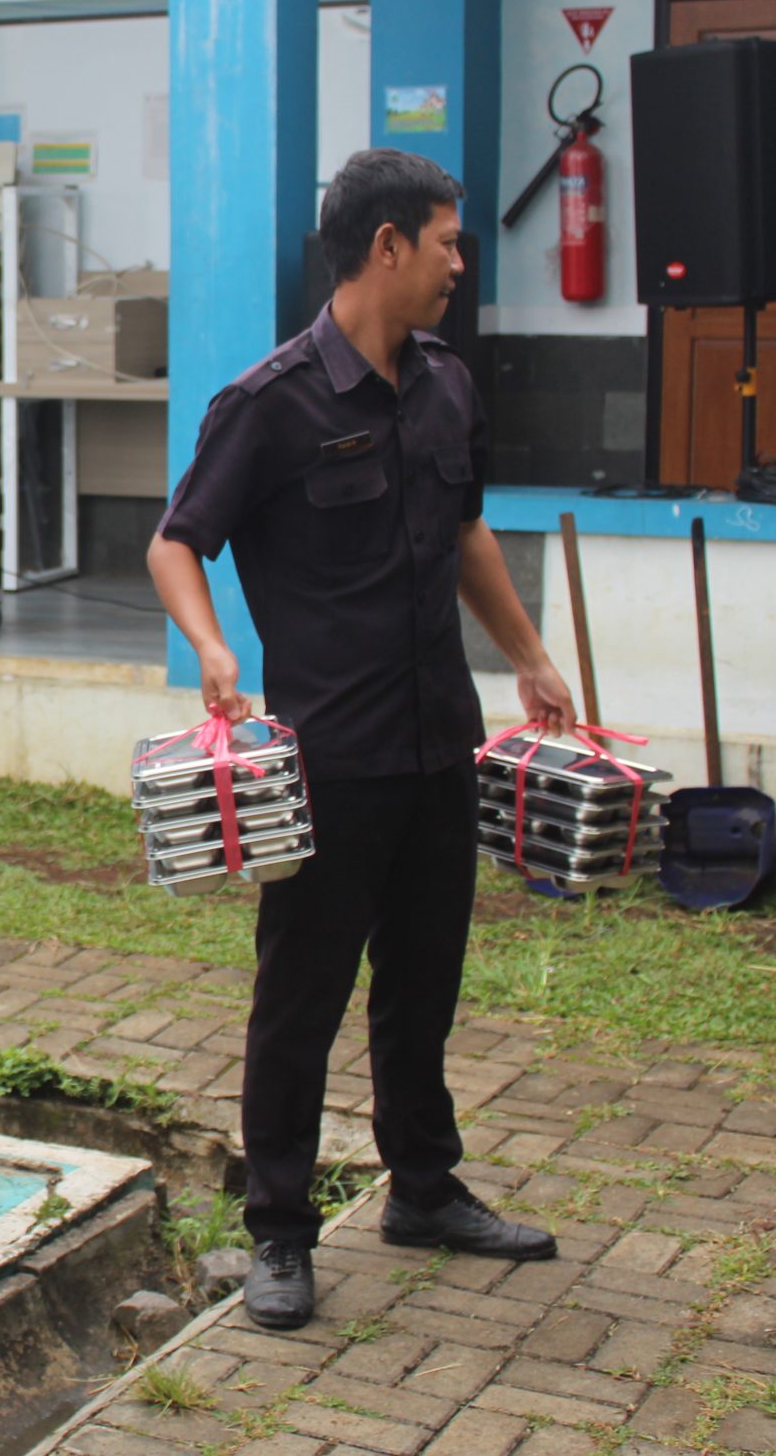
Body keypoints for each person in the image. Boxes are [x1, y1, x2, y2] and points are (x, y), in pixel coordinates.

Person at [147, 148, 577, 1333]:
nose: (458, 263)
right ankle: (279, 1230)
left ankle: (422, 1191)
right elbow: (176, 541)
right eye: (445, 241)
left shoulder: (446, 384)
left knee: (421, 987)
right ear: (386, 247)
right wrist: (211, 647)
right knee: (301, 1001)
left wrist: (527, 655)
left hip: (440, 745)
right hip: (330, 762)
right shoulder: (269, 402)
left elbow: (468, 531)